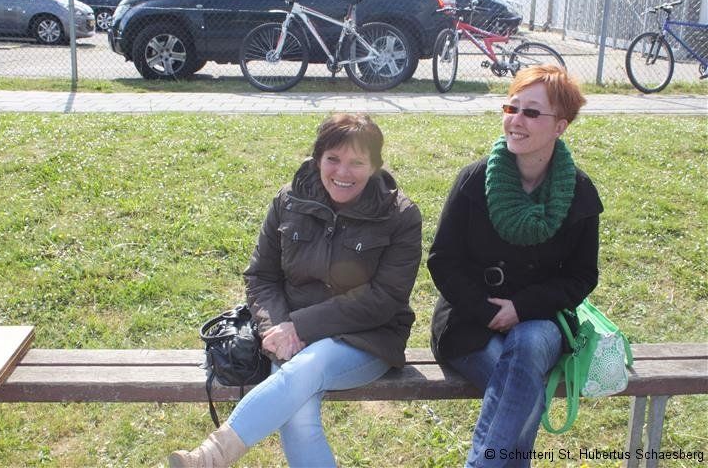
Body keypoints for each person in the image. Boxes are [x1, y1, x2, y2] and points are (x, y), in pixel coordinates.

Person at [170, 113, 422, 468]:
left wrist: (300, 326)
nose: (343, 172)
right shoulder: (288, 200)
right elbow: (261, 276)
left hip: (368, 338)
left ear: (375, 165)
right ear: (318, 158)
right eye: (332, 159)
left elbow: (385, 299)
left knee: (312, 364)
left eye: (357, 162)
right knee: (298, 416)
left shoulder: (400, 215)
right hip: (289, 336)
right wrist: (277, 328)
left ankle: (212, 456)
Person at [427, 65, 603, 468]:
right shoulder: (474, 180)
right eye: (512, 107)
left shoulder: (579, 191)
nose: (516, 120)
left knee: (526, 349)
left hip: (539, 319)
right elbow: (442, 261)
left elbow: (582, 276)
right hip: (469, 321)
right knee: (525, 395)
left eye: (531, 112)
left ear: (560, 126)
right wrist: (488, 311)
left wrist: (521, 308)